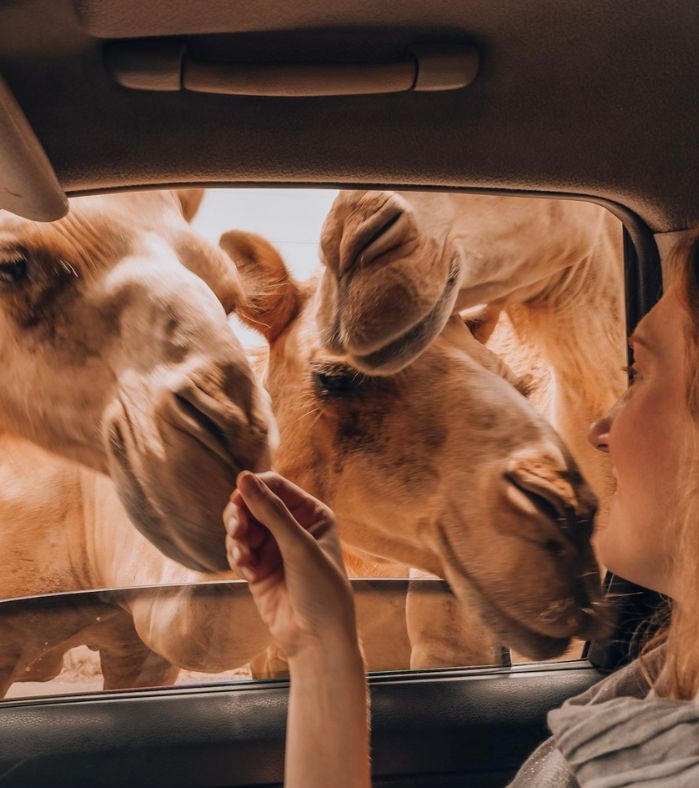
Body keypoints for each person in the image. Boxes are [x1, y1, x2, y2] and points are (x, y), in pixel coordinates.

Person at [223, 234, 699, 787]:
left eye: (639, 373)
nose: (600, 431)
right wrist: (320, 643)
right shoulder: (662, 684)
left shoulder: (659, 760)